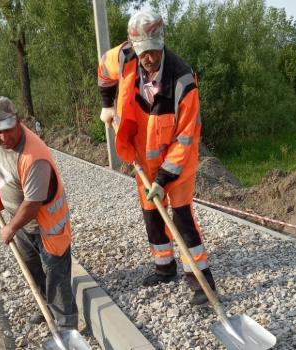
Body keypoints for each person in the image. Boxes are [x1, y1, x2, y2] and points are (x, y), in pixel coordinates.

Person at [97, 10, 215, 305]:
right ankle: (164, 268)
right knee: (151, 214)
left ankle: (202, 282)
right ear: (133, 45)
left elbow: (185, 139)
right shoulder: (124, 55)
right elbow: (103, 71)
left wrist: (163, 179)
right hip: (143, 159)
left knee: (181, 217)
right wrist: (107, 104)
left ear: (162, 42)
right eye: (143, 51)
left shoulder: (182, 80)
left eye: (153, 50)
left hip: (177, 162)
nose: (148, 57)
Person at [0, 96, 78, 329]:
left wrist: (10, 227)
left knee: (56, 276)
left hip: (47, 226)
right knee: (32, 267)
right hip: (22, 223)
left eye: (7, 129)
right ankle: (46, 307)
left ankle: (67, 326)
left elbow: (33, 204)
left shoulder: (34, 158)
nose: (3, 137)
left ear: (18, 121)